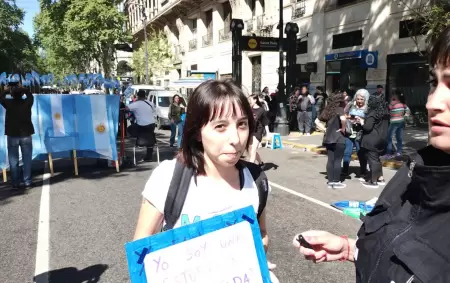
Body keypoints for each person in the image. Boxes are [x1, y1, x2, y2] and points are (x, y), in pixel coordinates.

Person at [293, 26, 450, 283]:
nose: (432, 102)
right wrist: (350, 248)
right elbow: (400, 247)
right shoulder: (415, 170)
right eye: (434, 83)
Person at [133, 79, 278, 279]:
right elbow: (141, 252)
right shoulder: (168, 177)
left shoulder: (256, 179)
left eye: (242, 124)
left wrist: (255, 255)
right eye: (220, 126)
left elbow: (261, 233)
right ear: (198, 132)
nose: (235, 139)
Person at [0, 85, 34, 189]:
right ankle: (27, 182)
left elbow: (1, 98)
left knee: (13, 160)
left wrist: (5, 91)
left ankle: (15, 183)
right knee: (27, 159)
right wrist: (24, 89)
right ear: (22, 94)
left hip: (12, 134)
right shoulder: (27, 103)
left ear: (12, 95)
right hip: (26, 134)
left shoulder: (8, 103)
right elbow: (30, 95)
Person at [357, 92, 390, 189]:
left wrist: (362, 122)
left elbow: (367, 127)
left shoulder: (373, 113)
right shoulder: (385, 112)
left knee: (372, 160)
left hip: (372, 138)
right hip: (382, 138)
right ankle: (380, 178)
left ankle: (373, 181)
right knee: (377, 159)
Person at [319, 91, 347, 189]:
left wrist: (325, 129)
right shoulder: (339, 109)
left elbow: (317, 120)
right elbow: (343, 119)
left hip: (328, 138)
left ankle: (330, 181)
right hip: (339, 137)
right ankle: (336, 181)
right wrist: (343, 128)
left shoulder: (328, 109)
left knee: (330, 159)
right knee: (338, 160)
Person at [342, 89, 369, 177]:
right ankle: (345, 171)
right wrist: (350, 118)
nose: (359, 101)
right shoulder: (350, 105)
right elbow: (344, 115)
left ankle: (363, 172)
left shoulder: (367, 108)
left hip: (360, 133)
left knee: (360, 153)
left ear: (365, 99)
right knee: (347, 152)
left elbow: (369, 120)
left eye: (362, 99)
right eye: (358, 99)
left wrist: (361, 120)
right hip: (349, 132)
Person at [126, 90, 156, 162]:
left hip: (141, 125)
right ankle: (149, 156)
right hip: (152, 124)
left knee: (129, 129)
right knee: (150, 138)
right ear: (145, 96)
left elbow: (126, 108)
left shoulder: (136, 104)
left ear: (138, 96)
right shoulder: (150, 103)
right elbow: (154, 111)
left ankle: (139, 141)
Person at [384, 89, 411, 158]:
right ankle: (399, 151)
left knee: (389, 137)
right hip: (401, 122)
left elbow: (389, 108)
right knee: (399, 137)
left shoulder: (393, 103)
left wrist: (390, 102)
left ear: (395, 96)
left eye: (393, 95)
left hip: (394, 122)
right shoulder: (403, 104)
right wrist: (405, 117)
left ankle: (388, 153)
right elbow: (408, 110)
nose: (392, 96)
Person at [248, 93, 269, 165]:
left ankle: (251, 168)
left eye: (250, 100)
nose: (249, 101)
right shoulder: (249, 109)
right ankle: (261, 163)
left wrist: (268, 133)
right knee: (251, 150)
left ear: (255, 100)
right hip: (251, 131)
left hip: (258, 131)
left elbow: (265, 122)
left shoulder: (261, 110)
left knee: (253, 150)